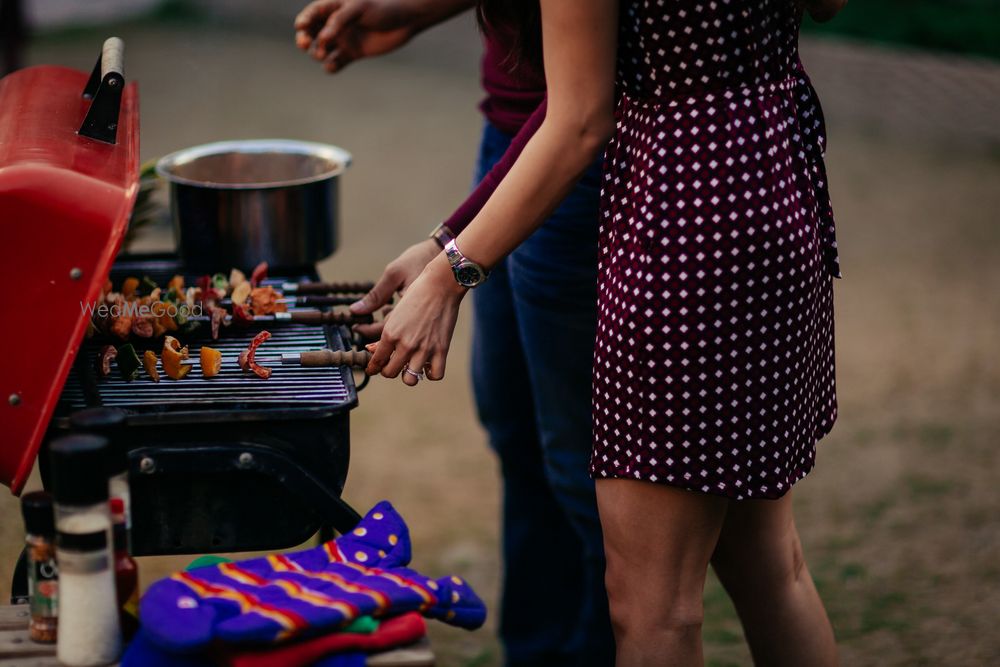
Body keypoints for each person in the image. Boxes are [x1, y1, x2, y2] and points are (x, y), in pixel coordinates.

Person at [318, 0, 850, 664]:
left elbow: (579, 118)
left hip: (680, 223)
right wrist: (448, 240)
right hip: (769, 175)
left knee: (652, 608)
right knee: (772, 566)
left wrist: (450, 274)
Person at [294, 2, 615, 666]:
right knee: (516, 430)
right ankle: (536, 651)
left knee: (584, 470)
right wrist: (408, 11)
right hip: (513, 131)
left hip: (576, 149)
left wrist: (450, 268)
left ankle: (599, 645)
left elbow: (581, 113)